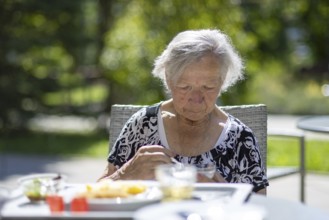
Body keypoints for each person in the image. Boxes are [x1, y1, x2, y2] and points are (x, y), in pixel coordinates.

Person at [99, 29, 269, 194]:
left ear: (222, 81)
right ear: (168, 79)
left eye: (208, 87)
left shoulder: (240, 139)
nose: (196, 98)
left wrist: (225, 192)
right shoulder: (142, 125)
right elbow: (94, 195)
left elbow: (260, 210)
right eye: (185, 87)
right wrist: (125, 174)